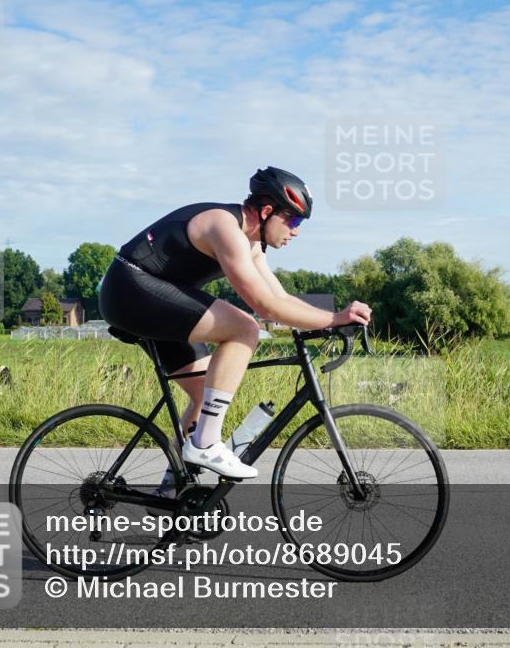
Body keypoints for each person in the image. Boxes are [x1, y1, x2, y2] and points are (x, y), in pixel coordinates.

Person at [98, 167, 371, 479]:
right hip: (129, 291)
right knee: (244, 328)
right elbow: (264, 307)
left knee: (205, 390)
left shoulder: (252, 244)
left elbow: (279, 297)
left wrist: (325, 323)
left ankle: (174, 488)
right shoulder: (225, 228)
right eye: (293, 220)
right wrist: (336, 317)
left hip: (153, 296)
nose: (295, 231)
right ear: (268, 211)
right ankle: (205, 445)